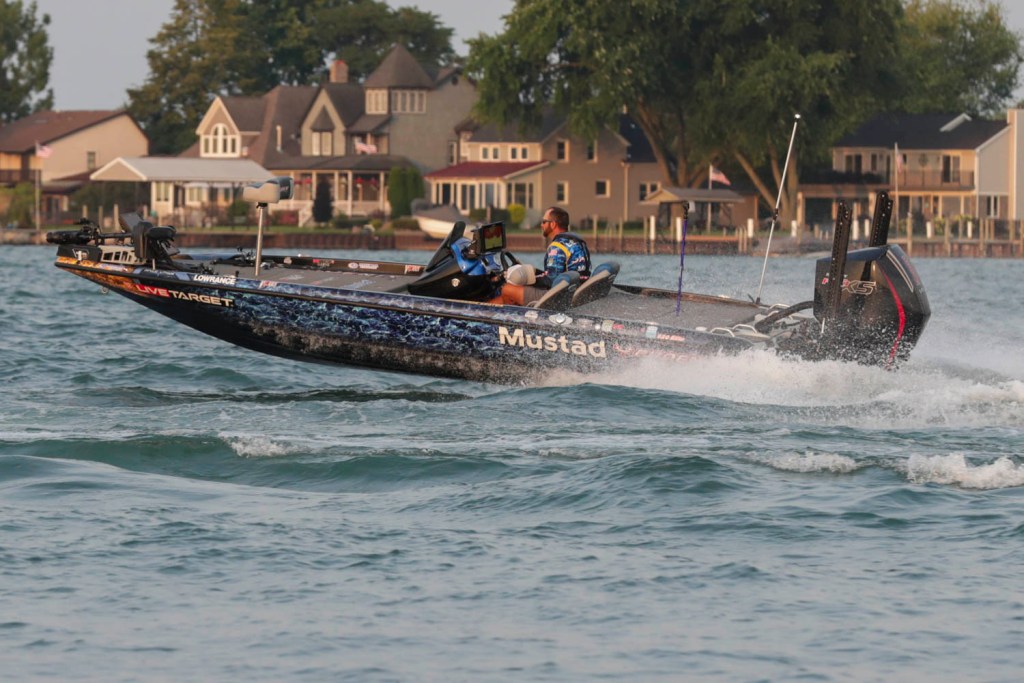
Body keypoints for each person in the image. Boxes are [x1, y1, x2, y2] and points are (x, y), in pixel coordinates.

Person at [492, 206, 591, 306]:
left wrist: (525, 278)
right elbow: (556, 273)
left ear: (553, 224)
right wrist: (534, 272)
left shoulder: (557, 247)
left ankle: (509, 313)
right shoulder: (578, 242)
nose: (541, 225)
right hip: (574, 292)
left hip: (558, 298)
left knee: (507, 289)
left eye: (544, 222)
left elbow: (550, 279)